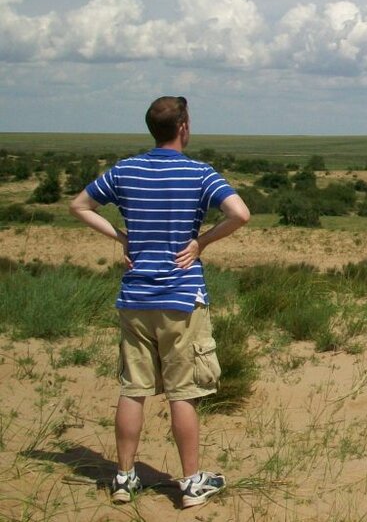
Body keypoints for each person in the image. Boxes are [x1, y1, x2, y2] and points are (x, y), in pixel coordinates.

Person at [69, 96, 250, 508]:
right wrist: (200, 242)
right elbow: (240, 213)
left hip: (134, 297)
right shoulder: (200, 173)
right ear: (183, 127)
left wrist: (121, 236)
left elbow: (79, 205)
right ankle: (189, 484)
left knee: (133, 390)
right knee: (181, 393)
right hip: (182, 298)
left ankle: (124, 478)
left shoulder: (126, 169)